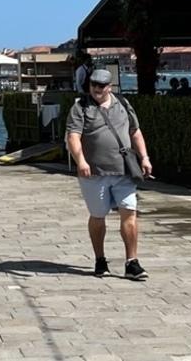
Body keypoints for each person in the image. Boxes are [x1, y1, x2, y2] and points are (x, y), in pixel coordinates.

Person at [65, 68, 152, 282]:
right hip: (95, 172)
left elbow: (135, 132)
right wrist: (81, 161)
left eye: (101, 86)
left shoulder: (123, 103)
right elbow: (73, 137)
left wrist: (144, 157)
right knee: (98, 216)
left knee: (129, 211)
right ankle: (100, 259)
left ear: (109, 87)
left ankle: (132, 262)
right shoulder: (80, 107)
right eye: (93, 84)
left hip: (124, 170)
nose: (96, 89)